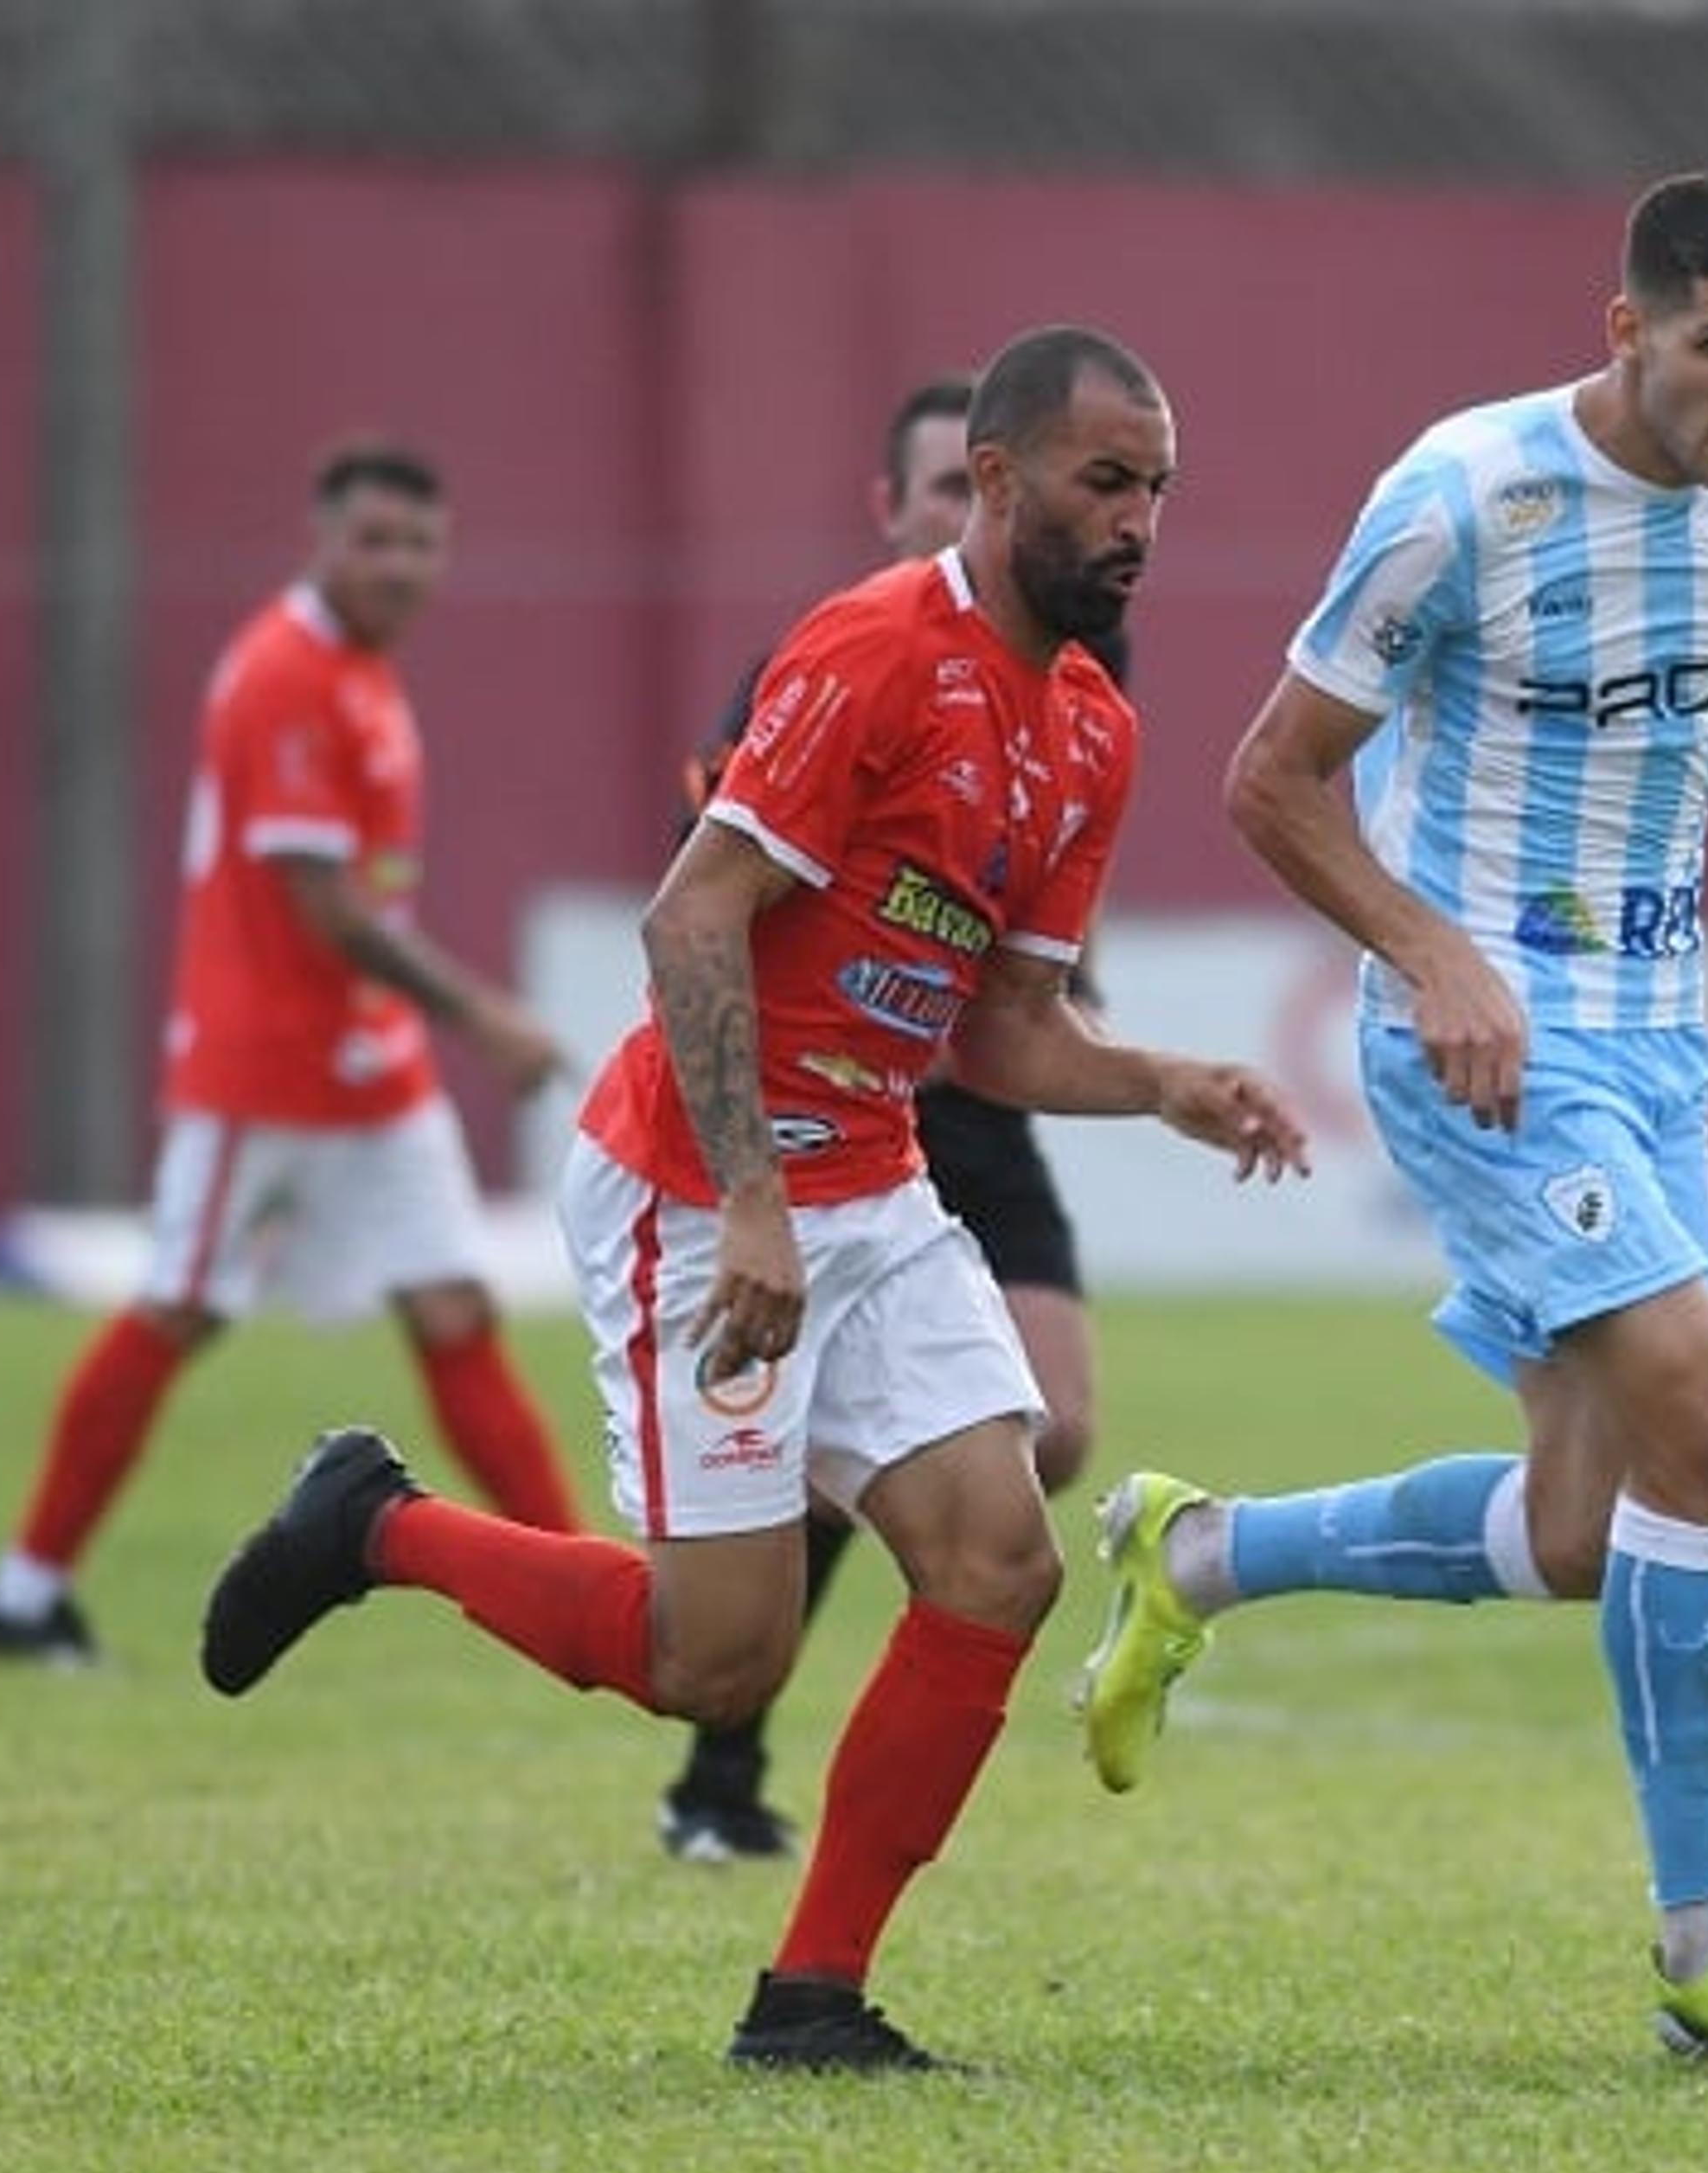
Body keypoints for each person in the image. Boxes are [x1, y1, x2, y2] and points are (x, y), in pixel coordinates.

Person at [201, 325, 1310, 2074]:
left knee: (997, 1557)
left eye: (1159, 488)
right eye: (1107, 481)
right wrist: (753, 1210)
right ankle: (376, 1525)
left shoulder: (1092, 727)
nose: (1139, 524)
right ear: (1002, 478)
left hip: (874, 1182)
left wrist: (1161, 1080)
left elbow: (1003, 1030)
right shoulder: (873, 648)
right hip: (689, 1188)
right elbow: (689, 921)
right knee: (714, 1662)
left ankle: (813, 1997)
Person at [1071, 171, 1708, 2065]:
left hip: (1658, 1051)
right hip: (1486, 1052)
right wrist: (1438, 954)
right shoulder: (1463, 495)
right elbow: (1271, 780)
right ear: (1625, 328)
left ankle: (1196, 1551)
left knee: (1574, 1530)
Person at [0, 443, 579, 1667]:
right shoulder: (285, 673)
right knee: (182, 1307)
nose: (400, 566)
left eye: (420, 543)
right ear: (321, 541)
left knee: (455, 1309)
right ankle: (24, 1594)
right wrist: (486, 1016)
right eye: (375, 540)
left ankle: (581, 1593)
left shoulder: (362, 672)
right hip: (263, 1067)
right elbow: (326, 905)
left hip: (373, 1067)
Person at [649, 375, 1125, 1865]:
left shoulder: (1083, 672)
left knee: (1052, 1432)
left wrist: (1122, 1047)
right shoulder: (845, 655)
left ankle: (839, 1567)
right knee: (763, 1575)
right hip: (817, 1119)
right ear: (932, 500)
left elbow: (1025, 950)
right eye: (934, 492)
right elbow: (709, 897)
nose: (1127, 524)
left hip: (962, 1109)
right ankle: (723, 1759)